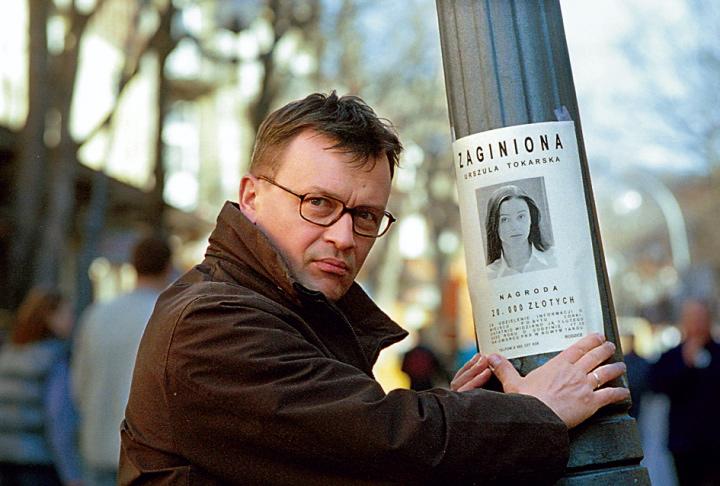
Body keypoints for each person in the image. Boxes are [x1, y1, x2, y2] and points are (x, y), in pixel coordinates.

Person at [119, 91, 628, 484]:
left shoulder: (291, 310)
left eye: (364, 215)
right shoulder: (209, 319)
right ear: (251, 197)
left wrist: (459, 410)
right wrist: (533, 413)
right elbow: (380, 442)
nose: (344, 237)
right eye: (318, 203)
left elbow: (345, 447)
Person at [72, 236, 172, 486]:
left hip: (95, 444)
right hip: (143, 454)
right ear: (168, 267)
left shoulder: (97, 313)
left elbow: (78, 385)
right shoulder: (166, 315)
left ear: (133, 265)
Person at [0, 287, 83, 486]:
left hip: (5, 459)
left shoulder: (8, 355)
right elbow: (59, 419)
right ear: (49, 317)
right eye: (67, 313)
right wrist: (72, 474)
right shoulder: (54, 359)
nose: (72, 320)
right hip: (39, 463)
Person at [648, 298, 720, 486]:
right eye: (692, 319)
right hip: (684, 442)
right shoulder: (671, 356)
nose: (697, 324)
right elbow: (656, 385)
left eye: (701, 318)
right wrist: (685, 364)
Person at [484, 184, 556, 279]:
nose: (515, 226)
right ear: (494, 225)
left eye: (521, 216)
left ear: (531, 219)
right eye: (505, 219)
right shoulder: (488, 275)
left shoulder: (554, 259)